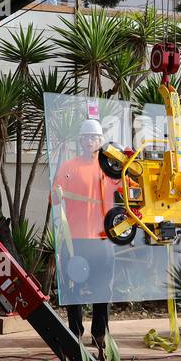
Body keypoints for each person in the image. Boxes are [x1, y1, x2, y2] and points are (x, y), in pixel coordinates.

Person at [51, 119, 119, 348]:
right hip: (75, 241)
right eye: (86, 137)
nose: (90, 140)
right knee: (73, 290)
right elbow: (54, 197)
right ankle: (74, 334)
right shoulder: (69, 167)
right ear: (80, 140)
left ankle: (100, 335)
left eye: (94, 137)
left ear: (101, 141)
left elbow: (129, 189)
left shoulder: (110, 169)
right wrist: (58, 194)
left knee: (103, 289)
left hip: (102, 239)